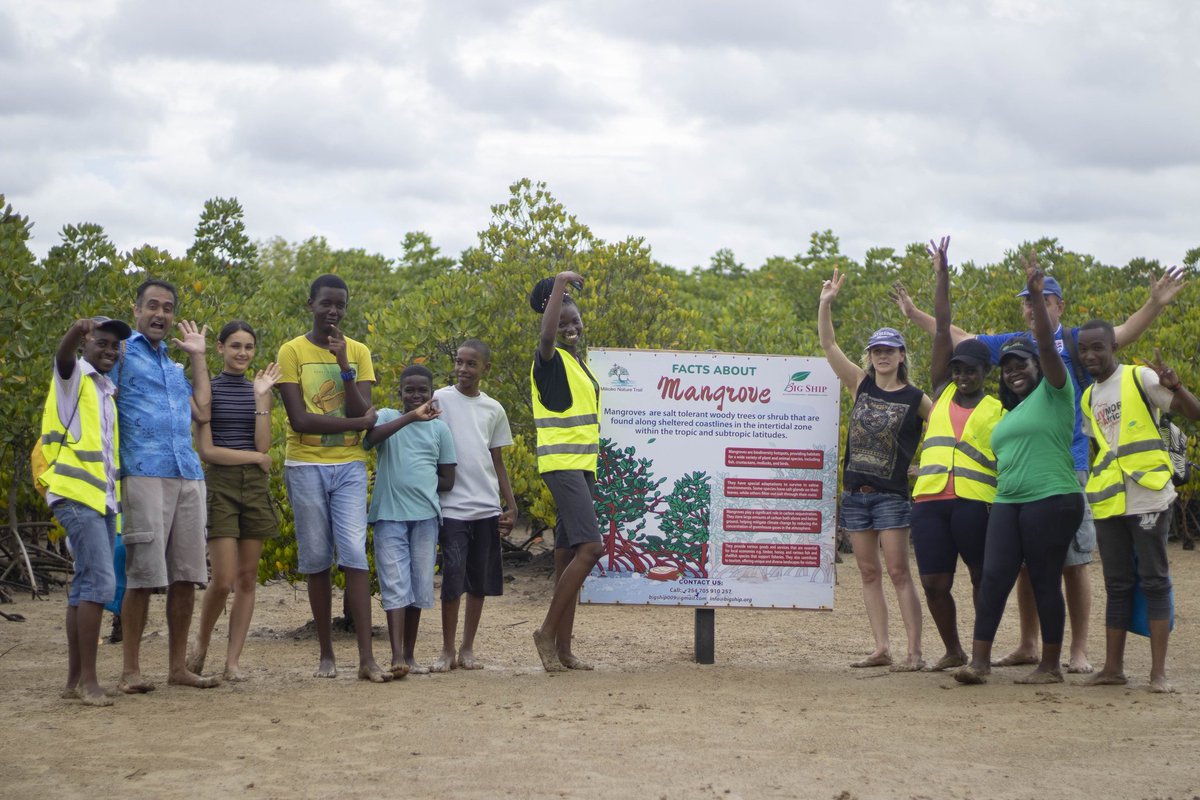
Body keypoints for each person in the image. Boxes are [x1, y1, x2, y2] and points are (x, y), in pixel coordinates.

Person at [895, 261, 1186, 673]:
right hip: (1017, 482)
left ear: (1059, 305)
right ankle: (1028, 644)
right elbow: (957, 338)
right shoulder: (1012, 346)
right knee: (1026, 568)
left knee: (1072, 563)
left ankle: (1077, 651)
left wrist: (1154, 304)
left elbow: (1119, 335)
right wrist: (915, 315)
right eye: (1028, 302)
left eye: (1042, 300)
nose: (1032, 308)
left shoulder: (1071, 342)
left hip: (1070, 467)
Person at [955, 256, 1085, 685]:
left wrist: (1034, 296)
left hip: (1052, 497)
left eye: (1021, 364)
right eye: (1007, 367)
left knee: (1047, 577)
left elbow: (1048, 347)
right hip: (1008, 499)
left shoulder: (1056, 391)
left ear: (1038, 368)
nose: (1013, 372)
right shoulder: (1009, 414)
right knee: (994, 577)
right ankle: (978, 661)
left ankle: (1050, 665)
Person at [277, 274, 389, 682]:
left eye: (340, 305)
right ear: (311, 304)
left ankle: (366, 658)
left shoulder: (358, 351)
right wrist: (357, 421)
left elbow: (362, 410)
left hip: (349, 467)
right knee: (316, 559)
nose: (333, 312)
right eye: (326, 303)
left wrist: (344, 365)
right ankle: (326, 654)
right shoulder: (292, 351)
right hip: (304, 465)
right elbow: (298, 418)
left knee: (355, 556)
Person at [819, 268, 931, 671]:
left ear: (902, 356)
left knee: (899, 572)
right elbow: (828, 344)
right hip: (856, 494)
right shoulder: (860, 384)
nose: (882, 356)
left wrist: (927, 467)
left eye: (890, 350)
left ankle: (914, 652)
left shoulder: (917, 398)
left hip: (892, 497)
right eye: (876, 351)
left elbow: (946, 433)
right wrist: (825, 302)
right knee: (868, 572)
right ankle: (881, 647)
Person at [1077, 326, 1200, 693]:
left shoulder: (1138, 376)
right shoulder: (1087, 397)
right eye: (1083, 350)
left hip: (1148, 493)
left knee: (1154, 578)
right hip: (1110, 498)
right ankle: (1113, 668)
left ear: (1114, 347)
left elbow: (1192, 413)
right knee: (1117, 583)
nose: (1089, 356)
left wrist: (1176, 387)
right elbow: (1101, 445)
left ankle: (1157, 673)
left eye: (1097, 348)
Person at [116, 279, 219, 692]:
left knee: (186, 574)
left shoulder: (176, 368)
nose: (161, 314)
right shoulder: (121, 353)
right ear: (137, 310)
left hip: (188, 473)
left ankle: (177, 668)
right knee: (142, 573)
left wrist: (198, 357)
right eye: (153, 306)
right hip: (144, 471)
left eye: (168, 308)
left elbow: (204, 411)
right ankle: (130, 671)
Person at [910, 238, 1004, 671]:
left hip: (975, 503)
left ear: (985, 374)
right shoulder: (942, 390)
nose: (963, 376)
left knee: (982, 578)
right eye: (958, 369)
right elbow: (943, 327)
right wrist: (941, 275)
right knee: (933, 582)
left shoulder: (999, 408)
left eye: (972, 371)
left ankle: (980, 653)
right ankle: (953, 650)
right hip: (930, 501)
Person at [39, 316, 132, 706]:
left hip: (101, 498)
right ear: (87, 345)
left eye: (115, 346)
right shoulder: (74, 374)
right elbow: (62, 357)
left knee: (82, 587)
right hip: (75, 494)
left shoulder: (106, 389)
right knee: (99, 583)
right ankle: (90, 681)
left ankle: (74, 680)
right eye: (102, 343)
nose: (109, 350)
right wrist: (74, 333)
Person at [188, 321, 281, 682]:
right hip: (221, 484)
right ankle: (201, 645)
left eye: (249, 347)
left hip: (254, 488)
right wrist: (255, 460)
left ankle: (232, 663)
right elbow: (208, 451)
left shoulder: (260, 389)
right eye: (235, 346)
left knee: (247, 579)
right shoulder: (207, 391)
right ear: (220, 349)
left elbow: (263, 445)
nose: (243, 353)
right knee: (223, 579)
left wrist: (261, 398)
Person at [530, 271, 604, 672]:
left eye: (574, 322)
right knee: (591, 548)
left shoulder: (579, 364)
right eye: (562, 323)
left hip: (582, 466)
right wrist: (559, 285)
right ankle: (544, 633)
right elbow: (544, 336)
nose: (570, 328)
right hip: (562, 466)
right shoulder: (549, 359)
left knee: (565, 555)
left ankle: (563, 649)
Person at [431, 339, 518, 672]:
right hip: (452, 507)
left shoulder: (493, 409)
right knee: (452, 578)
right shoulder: (439, 398)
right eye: (459, 362)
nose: (463, 369)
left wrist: (509, 505)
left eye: (471, 364)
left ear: (486, 368)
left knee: (477, 582)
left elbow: (497, 460)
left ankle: (468, 649)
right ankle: (446, 650)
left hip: (485, 506)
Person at [364, 364, 455, 677]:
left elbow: (447, 478)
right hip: (389, 516)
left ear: (432, 393)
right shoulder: (389, 417)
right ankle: (396, 656)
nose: (416, 395)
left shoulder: (440, 429)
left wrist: (421, 483)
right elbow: (370, 439)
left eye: (422, 391)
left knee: (418, 586)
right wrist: (412, 416)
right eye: (409, 390)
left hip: (426, 518)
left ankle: (411, 655)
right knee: (394, 584)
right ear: (399, 392)